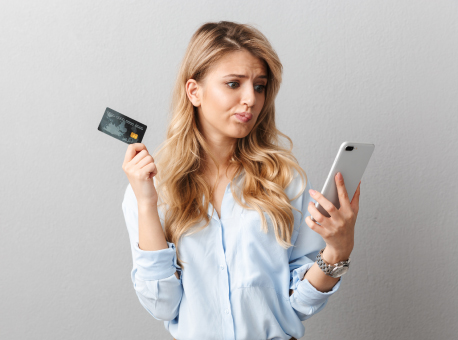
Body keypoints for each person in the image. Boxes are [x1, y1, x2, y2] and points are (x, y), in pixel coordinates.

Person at [121, 21, 361, 340]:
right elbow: (163, 305)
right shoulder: (151, 187)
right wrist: (147, 204)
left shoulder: (284, 180)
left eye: (259, 86)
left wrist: (338, 250)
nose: (250, 98)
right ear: (194, 91)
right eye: (234, 84)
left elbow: (300, 304)